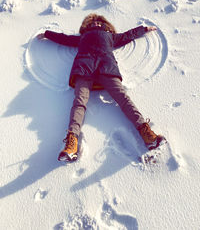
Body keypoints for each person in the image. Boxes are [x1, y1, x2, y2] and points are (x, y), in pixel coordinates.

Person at [37, 13, 164, 162]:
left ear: (105, 25)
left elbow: (128, 35)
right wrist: (47, 34)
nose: (96, 24)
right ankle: (71, 143)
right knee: (79, 102)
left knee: (122, 97)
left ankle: (146, 133)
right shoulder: (82, 38)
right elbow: (64, 39)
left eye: (99, 22)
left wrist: (144, 29)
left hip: (107, 67)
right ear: (86, 27)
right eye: (92, 23)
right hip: (84, 67)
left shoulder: (110, 36)